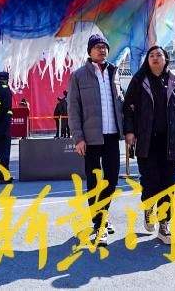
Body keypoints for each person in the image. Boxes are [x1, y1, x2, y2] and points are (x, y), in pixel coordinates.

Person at [122, 45, 175, 245]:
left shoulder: (174, 80)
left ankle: (164, 224)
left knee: (168, 184)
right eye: (151, 55)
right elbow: (128, 108)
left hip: (170, 142)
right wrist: (129, 131)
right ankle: (148, 207)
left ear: (165, 59)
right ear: (147, 60)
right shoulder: (139, 80)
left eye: (159, 55)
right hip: (147, 141)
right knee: (150, 181)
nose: (155, 58)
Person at [67, 33, 124, 245]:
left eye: (104, 46)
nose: (102, 50)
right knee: (94, 181)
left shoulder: (114, 72)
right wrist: (78, 138)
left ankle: (102, 215)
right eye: (97, 47)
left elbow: (120, 103)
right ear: (89, 51)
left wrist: (127, 129)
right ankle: (99, 225)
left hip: (112, 135)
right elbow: (73, 109)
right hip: (90, 138)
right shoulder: (79, 76)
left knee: (111, 179)